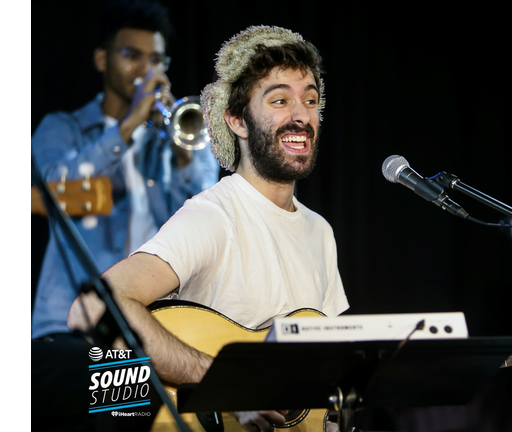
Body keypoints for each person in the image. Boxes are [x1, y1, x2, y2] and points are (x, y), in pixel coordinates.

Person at [67, 25, 350, 432]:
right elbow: (92, 307)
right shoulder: (214, 215)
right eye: (280, 99)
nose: (301, 115)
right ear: (236, 119)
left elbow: (329, 380)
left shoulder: (320, 231)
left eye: (310, 99)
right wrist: (229, 386)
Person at [31, 0, 220, 341]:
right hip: (70, 322)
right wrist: (129, 124)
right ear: (102, 59)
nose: (146, 71)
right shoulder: (61, 128)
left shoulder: (174, 135)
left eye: (156, 60)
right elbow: (57, 187)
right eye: (132, 56)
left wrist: (180, 155)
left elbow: (207, 207)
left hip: (153, 325)